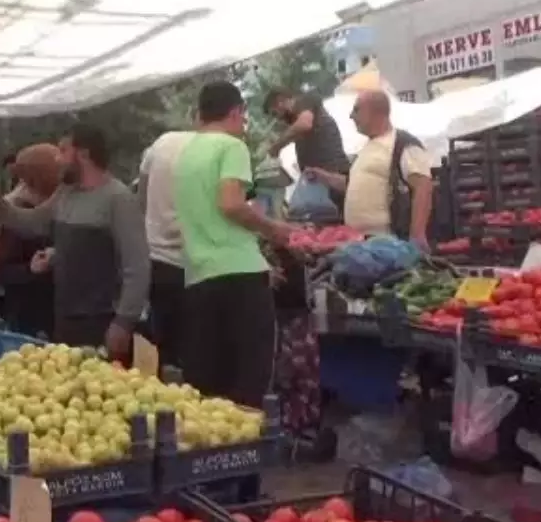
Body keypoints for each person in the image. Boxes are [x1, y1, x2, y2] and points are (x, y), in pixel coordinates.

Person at [0, 124, 149, 356]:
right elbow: (32, 223)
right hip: (64, 317)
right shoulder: (66, 193)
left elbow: (138, 266)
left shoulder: (118, 199)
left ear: (83, 154)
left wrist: (123, 322)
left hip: (101, 320)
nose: (57, 158)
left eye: (63, 150)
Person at [175, 81, 296, 407]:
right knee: (249, 383)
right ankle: (249, 453)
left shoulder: (185, 156)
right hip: (240, 278)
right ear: (236, 111)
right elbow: (230, 204)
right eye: (243, 117)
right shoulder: (231, 147)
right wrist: (273, 229)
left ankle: (212, 453)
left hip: (198, 277)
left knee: (207, 385)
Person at [304, 89, 434, 249]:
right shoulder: (366, 148)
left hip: (389, 243)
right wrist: (323, 176)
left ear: (377, 111)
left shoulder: (401, 143)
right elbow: (351, 185)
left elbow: (423, 186)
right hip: (360, 243)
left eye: (357, 109)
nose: (351, 116)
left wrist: (417, 235)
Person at [138, 131, 195, 366]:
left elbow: (141, 197)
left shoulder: (162, 142)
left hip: (158, 260)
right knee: (196, 350)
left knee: (163, 347)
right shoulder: (221, 151)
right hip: (198, 266)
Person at [0, 144, 59, 338]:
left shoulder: (61, 205)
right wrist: (31, 269)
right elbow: (2, 272)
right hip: (27, 315)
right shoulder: (17, 211)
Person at [264, 88, 351, 212]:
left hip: (335, 176)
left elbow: (305, 123)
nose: (278, 119)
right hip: (321, 183)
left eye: (275, 113)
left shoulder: (305, 101)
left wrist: (277, 146)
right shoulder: (296, 122)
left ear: (280, 101)